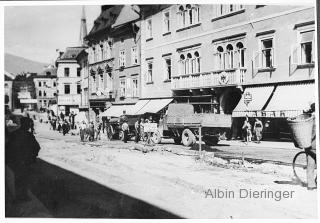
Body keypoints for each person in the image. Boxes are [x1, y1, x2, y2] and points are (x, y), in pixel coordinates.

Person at [6, 117, 41, 201]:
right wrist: (32, 157)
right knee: (24, 179)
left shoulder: (14, 134)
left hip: (15, 161)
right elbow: (37, 147)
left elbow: (7, 148)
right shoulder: (28, 135)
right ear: (27, 125)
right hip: (25, 161)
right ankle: (23, 196)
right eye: (29, 125)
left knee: (18, 179)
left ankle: (18, 197)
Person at [305, 103, 316, 190]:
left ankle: (311, 185)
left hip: (312, 145)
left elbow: (312, 133)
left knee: (310, 165)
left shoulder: (312, 118)